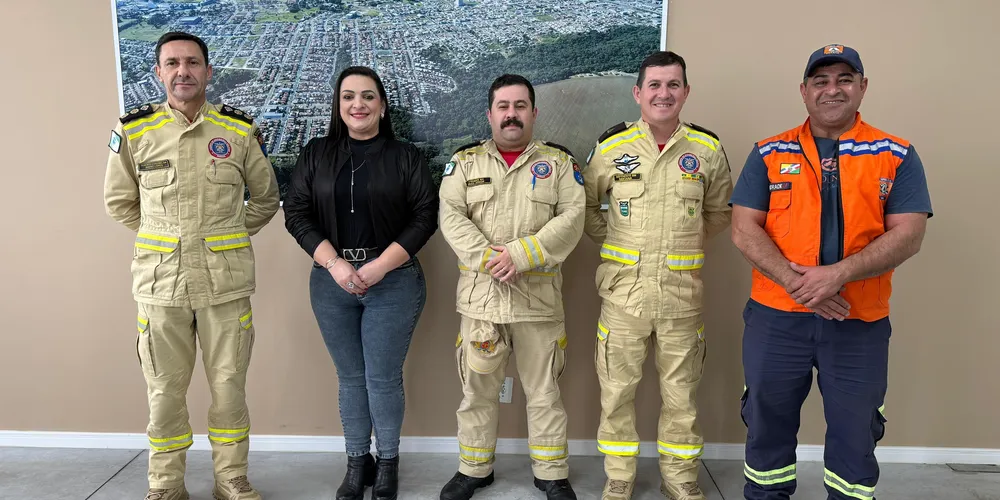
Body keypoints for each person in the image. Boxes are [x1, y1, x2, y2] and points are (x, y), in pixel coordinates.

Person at [729, 44, 932, 500]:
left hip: (858, 322)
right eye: (820, 81)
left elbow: (909, 234)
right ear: (804, 91)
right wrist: (799, 284)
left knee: (856, 433)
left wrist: (835, 275)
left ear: (862, 87)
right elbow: (744, 229)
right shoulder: (768, 152)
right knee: (765, 424)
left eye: (844, 79)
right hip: (776, 320)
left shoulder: (895, 154)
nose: (832, 89)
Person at [103, 32, 280, 500]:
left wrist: (225, 239)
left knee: (229, 389)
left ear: (208, 71)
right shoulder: (134, 132)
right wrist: (168, 242)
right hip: (161, 288)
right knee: (163, 394)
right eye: (173, 63)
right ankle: (165, 485)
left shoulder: (238, 132)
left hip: (225, 287)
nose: (183, 71)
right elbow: (120, 204)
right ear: (159, 72)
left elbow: (265, 198)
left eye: (193, 62)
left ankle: (232, 478)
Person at [582, 51, 733, 500]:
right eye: (654, 85)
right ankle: (620, 478)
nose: (663, 93)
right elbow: (586, 207)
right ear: (638, 93)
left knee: (682, 397)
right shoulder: (612, 148)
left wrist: (679, 246)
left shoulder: (706, 149)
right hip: (623, 293)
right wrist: (622, 245)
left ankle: (681, 479)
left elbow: (719, 212)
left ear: (686, 92)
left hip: (682, 296)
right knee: (616, 393)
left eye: (673, 85)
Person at [282, 66, 438, 500]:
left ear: (382, 106)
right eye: (349, 96)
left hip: (394, 281)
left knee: (383, 378)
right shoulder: (316, 154)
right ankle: (357, 463)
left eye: (368, 96)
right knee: (350, 378)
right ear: (338, 105)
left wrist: (378, 267)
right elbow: (296, 213)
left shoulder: (405, 156)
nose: (358, 104)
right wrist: (335, 265)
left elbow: (425, 216)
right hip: (330, 280)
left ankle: (387, 462)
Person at [437, 74, 584, 500]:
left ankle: (552, 474)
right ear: (490, 114)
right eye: (503, 106)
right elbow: (451, 217)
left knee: (545, 394)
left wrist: (520, 255)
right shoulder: (465, 164)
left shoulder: (558, 164)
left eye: (520, 106)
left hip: (538, 303)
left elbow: (572, 219)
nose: (511, 114)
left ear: (534, 113)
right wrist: (491, 259)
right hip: (482, 301)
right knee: (477, 392)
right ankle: (474, 469)